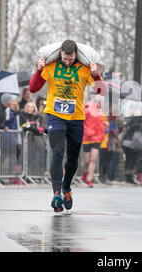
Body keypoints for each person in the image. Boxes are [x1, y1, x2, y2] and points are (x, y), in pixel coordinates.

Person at [29, 39, 104, 212]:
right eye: (64, 58)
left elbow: (102, 91)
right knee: (57, 153)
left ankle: (66, 188)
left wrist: (95, 75)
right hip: (55, 116)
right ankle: (56, 194)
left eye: (70, 59)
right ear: (60, 53)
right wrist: (39, 70)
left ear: (76, 55)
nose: (67, 61)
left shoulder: (84, 69)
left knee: (72, 159)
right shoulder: (51, 66)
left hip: (76, 119)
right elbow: (33, 88)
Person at [82, 95, 105, 188]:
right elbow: (81, 121)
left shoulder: (100, 111)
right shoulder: (88, 109)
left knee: (94, 158)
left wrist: (104, 124)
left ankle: (89, 179)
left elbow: (98, 122)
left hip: (97, 137)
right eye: (101, 102)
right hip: (87, 137)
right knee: (87, 159)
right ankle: (85, 172)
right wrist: (87, 130)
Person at [121, 113, 142, 184]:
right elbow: (140, 132)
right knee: (133, 160)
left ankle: (127, 176)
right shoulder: (140, 123)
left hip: (125, 142)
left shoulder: (129, 121)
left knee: (128, 159)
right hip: (134, 143)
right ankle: (130, 176)